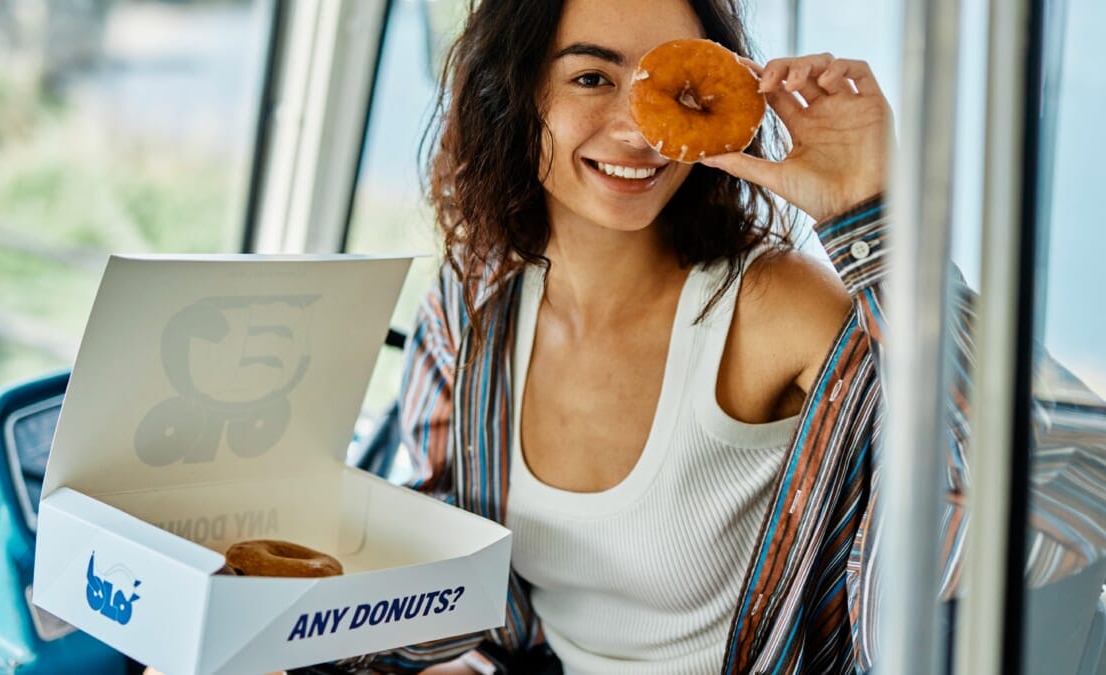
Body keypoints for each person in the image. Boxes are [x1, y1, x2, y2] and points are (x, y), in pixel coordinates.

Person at [351, 0, 1106, 673]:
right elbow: (444, 564)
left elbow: (1049, 487)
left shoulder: (773, 305)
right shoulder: (475, 305)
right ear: (513, 93)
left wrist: (871, 214)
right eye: (592, 78)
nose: (638, 129)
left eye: (666, 87)